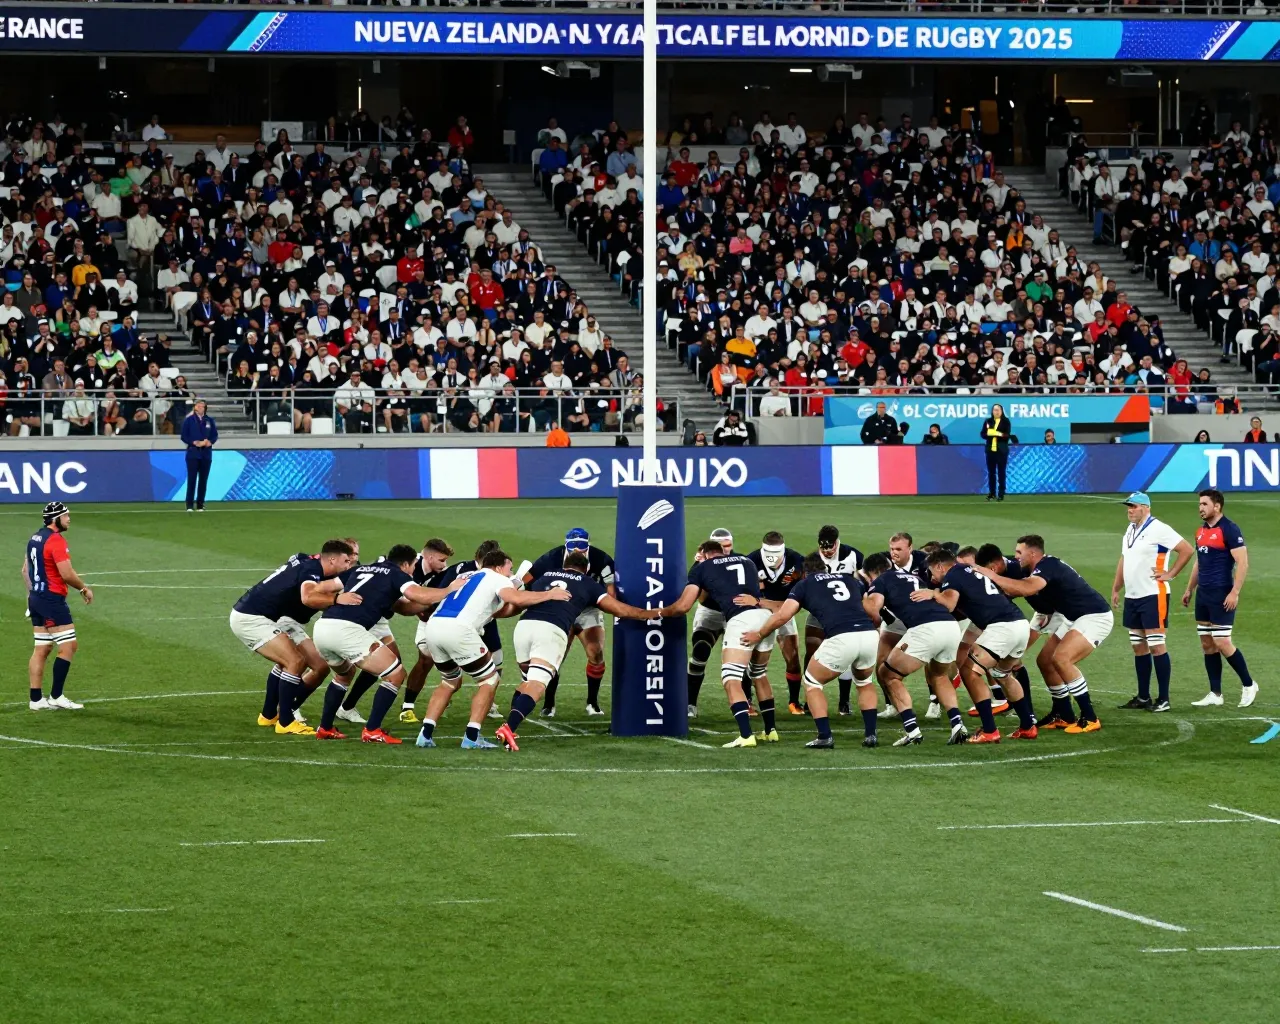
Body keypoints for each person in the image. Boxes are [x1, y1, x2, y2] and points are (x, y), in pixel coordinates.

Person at [496, 551, 653, 751]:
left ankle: (512, 724)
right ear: (586, 569)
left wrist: (493, 614)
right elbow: (619, 609)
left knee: (527, 682)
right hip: (550, 630)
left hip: (524, 628)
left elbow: (519, 599)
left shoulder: (546, 576)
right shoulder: (588, 582)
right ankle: (509, 728)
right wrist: (651, 613)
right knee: (537, 684)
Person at [313, 546, 467, 744]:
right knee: (395, 675)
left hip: (323, 628)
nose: (412, 571)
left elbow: (404, 608)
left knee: (343, 676)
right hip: (347, 631)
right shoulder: (396, 574)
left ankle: (325, 728)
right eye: (412, 566)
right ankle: (372, 730)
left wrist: (335, 599)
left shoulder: (360, 569)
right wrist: (449, 590)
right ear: (405, 564)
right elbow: (416, 594)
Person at [973, 535, 1112, 734]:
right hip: (1072, 617)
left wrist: (994, 576)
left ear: (1033, 553)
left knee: (1062, 659)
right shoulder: (1031, 567)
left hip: (1094, 616)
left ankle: (1090, 717)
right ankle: (1064, 714)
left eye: (1020, 552)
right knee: (1045, 661)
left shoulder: (1048, 566)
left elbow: (1029, 588)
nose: (1016, 556)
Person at [741, 553, 878, 749]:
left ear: (805, 573)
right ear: (825, 568)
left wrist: (759, 634)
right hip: (869, 635)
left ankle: (824, 736)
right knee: (864, 682)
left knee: (812, 683)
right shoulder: (851, 581)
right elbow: (872, 610)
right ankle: (871, 735)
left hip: (841, 637)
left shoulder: (805, 584)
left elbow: (782, 615)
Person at [229, 540, 358, 736]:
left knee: (306, 663)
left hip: (261, 615)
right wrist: (337, 599)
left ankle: (269, 715)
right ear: (332, 559)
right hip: (252, 619)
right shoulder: (311, 570)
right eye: (346, 560)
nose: (350, 565)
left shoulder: (307, 561)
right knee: (295, 661)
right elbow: (307, 597)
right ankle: (286, 721)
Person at [662, 538, 779, 748]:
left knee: (731, 679)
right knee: (759, 674)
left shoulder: (701, 567)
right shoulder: (747, 561)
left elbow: (685, 605)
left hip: (741, 619)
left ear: (705, 554)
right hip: (765, 616)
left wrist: (660, 612)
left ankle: (746, 735)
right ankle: (770, 731)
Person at [915, 549, 1040, 742]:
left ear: (940, 566)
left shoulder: (952, 574)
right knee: (1002, 674)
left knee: (969, 671)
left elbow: (949, 603)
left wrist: (933, 593)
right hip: (1020, 624)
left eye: (933, 571)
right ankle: (1027, 726)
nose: (933, 576)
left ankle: (989, 730)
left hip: (1002, 627)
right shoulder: (968, 569)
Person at [862, 552, 964, 745]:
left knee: (888, 674)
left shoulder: (881, 580)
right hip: (950, 626)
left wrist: (860, 597)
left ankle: (912, 730)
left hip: (926, 628)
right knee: (939, 676)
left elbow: (874, 608)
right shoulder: (914, 577)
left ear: (870, 574)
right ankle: (957, 724)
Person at [1112, 493, 1194, 712]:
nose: (1129, 510)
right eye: (1128, 507)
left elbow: (1186, 549)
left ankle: (1164, 699)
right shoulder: (1130, 530)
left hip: (1153, 594)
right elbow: (1124, 558)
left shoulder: (1159, 528)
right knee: (1138, 647)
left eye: (1133, 506)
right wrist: (1116, 587)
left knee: (1157, 646)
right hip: (1133, 595)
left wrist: (1171, 573)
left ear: (1146, 508)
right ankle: (1143, 696)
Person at [522, 528, 617, 716]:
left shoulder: (601, 559)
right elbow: (527, 579)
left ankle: (592, 703)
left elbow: (611, 588)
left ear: (587, 545)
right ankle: (549, 704)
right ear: (566, 545)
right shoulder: (552, 557)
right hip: (560, 609)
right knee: (554, 657)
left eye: (581, 546)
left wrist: (610, 607)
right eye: (573, 546)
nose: (577, 550)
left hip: (588, 609)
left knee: (595, 653)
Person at [1184, 489, 1257, 708]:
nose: (1201, 508)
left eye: (1205, 504)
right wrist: (1189, 589)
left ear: (1217, 506)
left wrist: (1234, 592)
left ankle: (1249, 684)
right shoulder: (1201, 532)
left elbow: (1242, 563)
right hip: (1203, 594)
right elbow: (1199, 562)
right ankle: (1215, 693)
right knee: (1207, 643)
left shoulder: (1229, 529)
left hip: (1221, 593)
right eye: (1200, 504)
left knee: (1223, 641)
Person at [24, 502, 92, 711]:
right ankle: (56, 696)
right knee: (69, 646)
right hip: (52, 600)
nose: (69, 519)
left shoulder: (35, 538)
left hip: (37, 598)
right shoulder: (56, 541)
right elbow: (67, 574)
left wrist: (32, 595)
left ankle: (36, 699)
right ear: (56, 519)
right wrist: (83, 589)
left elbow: (25, 570)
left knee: (42, 648)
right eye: (66, 516)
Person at [746, 532, 807, 715]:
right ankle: (747, 701)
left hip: (784, 612)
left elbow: (803, 592)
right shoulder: (751, 561)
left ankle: (794, 702)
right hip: (758, 613)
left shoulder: (797, 561)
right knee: (750, 657)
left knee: (793, 657)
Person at [685, 527, 735, 718]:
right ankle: (691, 704)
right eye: (721, 547)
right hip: (710, 611)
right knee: (700, 650)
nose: (725, 550)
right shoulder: (700, 565)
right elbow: (698, 596)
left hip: (734, 613)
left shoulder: (740, 560)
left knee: (743, 658)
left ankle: (747, 702)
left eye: (728, 546)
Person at [180, 399, 217, 512]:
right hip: (193, 453)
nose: (201, 407)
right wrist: (194, 442)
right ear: (195, 407)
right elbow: (184, 436)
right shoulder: (189, 420)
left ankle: (200, 504)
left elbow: (214, 435)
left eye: (203, 406)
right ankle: (189, 505)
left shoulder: (209, 420)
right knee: (192, 480)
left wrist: (209, 442)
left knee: (203, 480)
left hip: (206, 453)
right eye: (199, 405)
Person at [981, 403, 1011, 501]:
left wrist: (997, 434)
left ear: (1001, 411)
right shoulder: (988, 421)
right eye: (994, 410)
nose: (996, 412)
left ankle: (1001, 493)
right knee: (991, 473)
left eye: (998, 410)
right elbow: (983, 434)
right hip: (990, 450)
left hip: (1001, 451)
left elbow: (1007, 435)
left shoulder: (1006, 422)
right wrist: (989, 434)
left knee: (1001, 472)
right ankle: (992, 493)